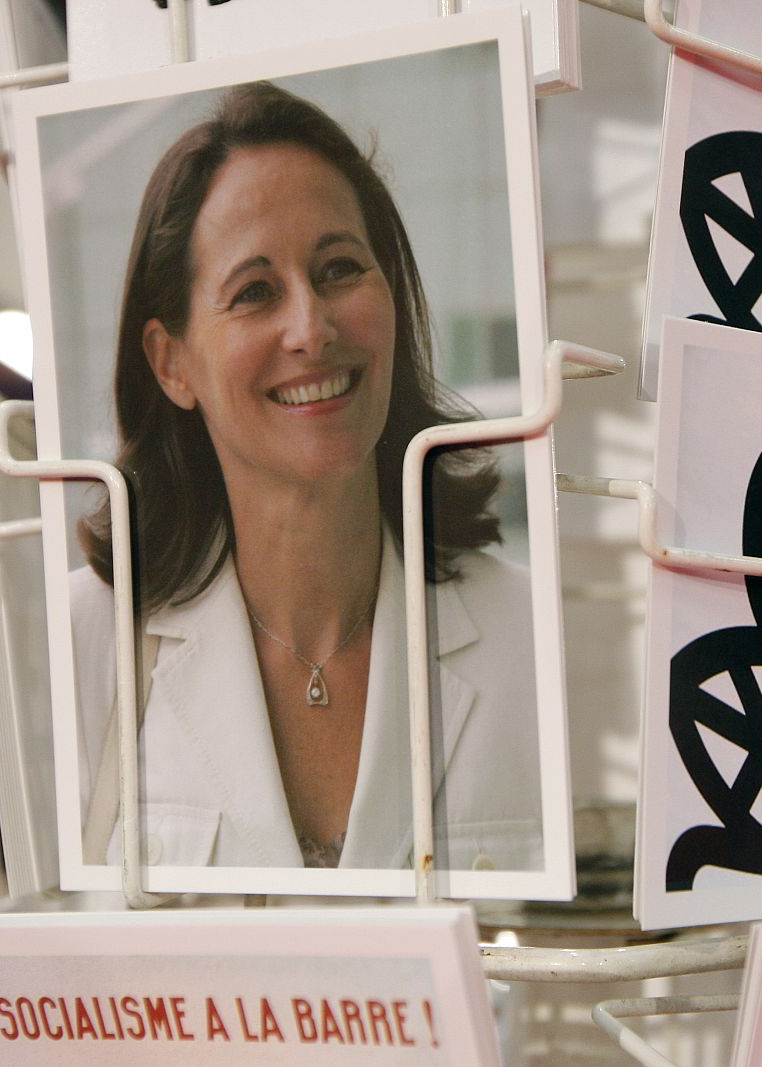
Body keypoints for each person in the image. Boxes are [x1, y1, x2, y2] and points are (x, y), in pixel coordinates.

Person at [67, 81, 543, 875]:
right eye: (254, 292)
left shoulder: (529, 633)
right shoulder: (91, 640)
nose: (311, 329)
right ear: (171, 362)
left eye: (339, 269)